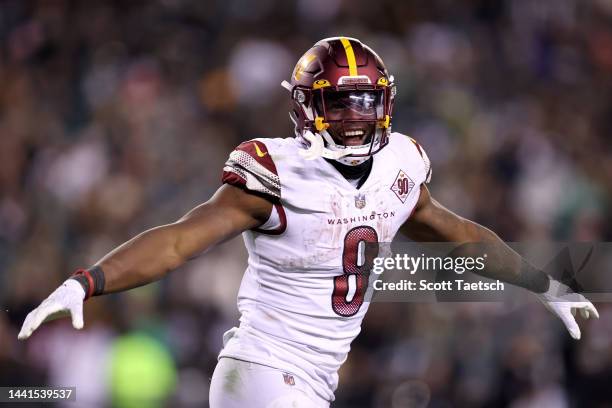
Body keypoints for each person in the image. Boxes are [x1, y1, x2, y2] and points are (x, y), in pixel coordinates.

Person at [18, 37, 598, 408]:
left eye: (366, 101)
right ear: (304, 107)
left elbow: (458, 233)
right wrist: (87, 281)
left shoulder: (401, 164)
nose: (354, 117)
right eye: (338, 103)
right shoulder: (274, 172)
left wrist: (540, 282)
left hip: (313, 380)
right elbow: (176, 242)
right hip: (265, 372)